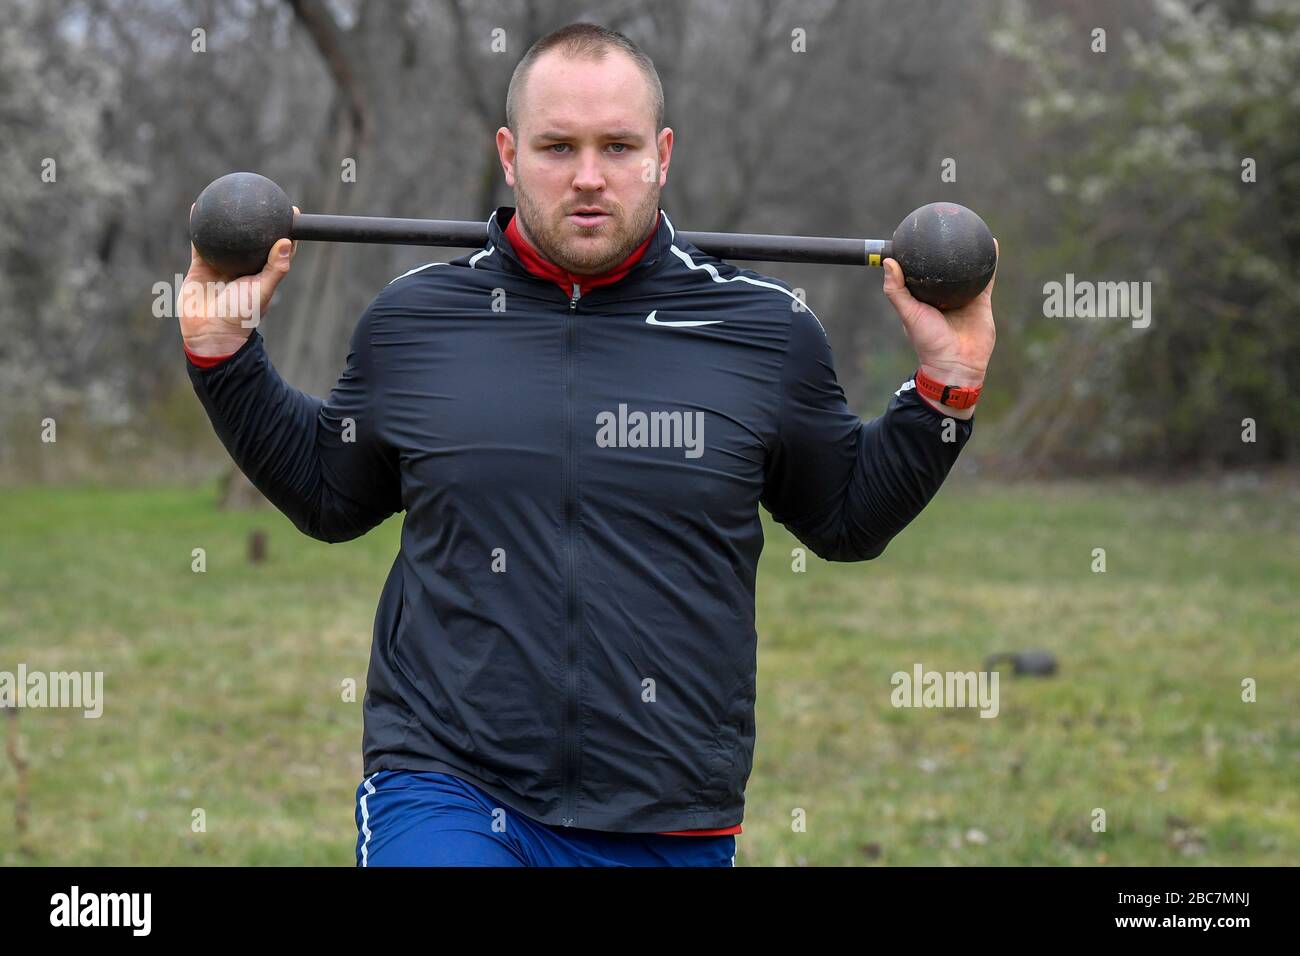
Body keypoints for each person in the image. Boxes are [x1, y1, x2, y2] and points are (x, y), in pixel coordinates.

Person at [179, 22, 996, 867]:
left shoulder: (762, 330)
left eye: (618, 146)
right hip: (449, 780)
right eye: (557, 147)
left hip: (668, 810)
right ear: (508, 152)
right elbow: (329, 495)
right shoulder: (416, 321)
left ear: (663, 153)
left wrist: (944, 387)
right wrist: (223, 359)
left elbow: (846, 519)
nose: (589, 177)